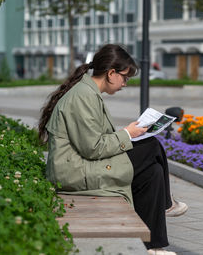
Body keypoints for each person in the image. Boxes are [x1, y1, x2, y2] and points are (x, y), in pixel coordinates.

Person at [38, 44, 187, 255]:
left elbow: (93, 141)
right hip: (74, 171)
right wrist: (128, 134)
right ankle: (166, 204)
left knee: (152, 173)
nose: (125, 83)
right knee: (151, 145)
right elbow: (92, 148)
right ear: (111, 73)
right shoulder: (83, 96)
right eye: (125, 77)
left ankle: (153, 246)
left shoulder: (88, 93)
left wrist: (129, 132)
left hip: (84, 162)